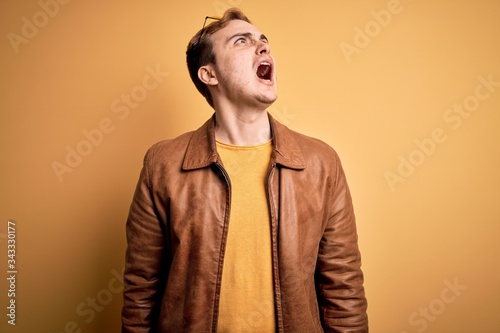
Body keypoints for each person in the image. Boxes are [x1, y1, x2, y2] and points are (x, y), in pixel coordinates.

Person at [121, 7, 368, 333]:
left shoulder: (321, 163)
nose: (264, 47)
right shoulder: (163, 164)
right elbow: (142, 286)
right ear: (210, 75)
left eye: (264, 41)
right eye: (242, 41)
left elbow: (343, 285)